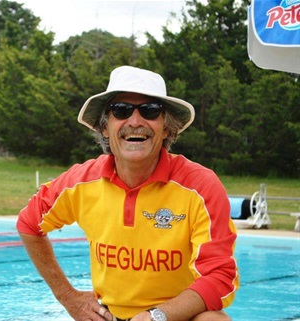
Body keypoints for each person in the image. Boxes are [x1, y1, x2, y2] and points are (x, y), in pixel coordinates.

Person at [16, 66, 239, 321]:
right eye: (121, 110)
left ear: (166, 128)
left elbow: (220, 274)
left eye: (150, 111)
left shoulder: (200, 186)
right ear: (104, 127)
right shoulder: (80, 182)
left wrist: (157, 316)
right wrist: (68, 297)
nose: (135, 121)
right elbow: (28, 223)